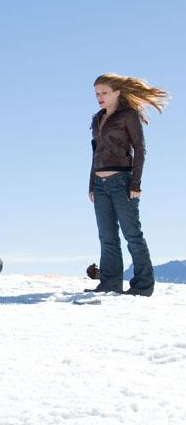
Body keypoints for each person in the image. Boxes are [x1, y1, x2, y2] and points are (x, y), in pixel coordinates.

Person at [86, 73, 169, 296]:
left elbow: (140, 149)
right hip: (100, 184)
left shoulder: (128, 116)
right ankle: (110, 284)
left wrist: (136, 183)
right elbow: (96, 153)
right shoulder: (97, 118)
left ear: (117, 92)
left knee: (132, 235)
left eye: (104, 93)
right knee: (107, 236)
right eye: (96, 93)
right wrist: (91, 184)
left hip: (122, 182)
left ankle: (143, 286)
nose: (99, 97)